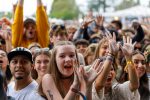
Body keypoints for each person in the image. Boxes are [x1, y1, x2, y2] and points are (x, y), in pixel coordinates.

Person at [94, 34, 140, 100]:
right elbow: (100, 84)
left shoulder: (116, 89)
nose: (108, 73)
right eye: (105, 47)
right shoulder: (92, 88)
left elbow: (134, 85)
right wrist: (111, 54)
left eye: (111, 69)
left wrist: (129, 58)